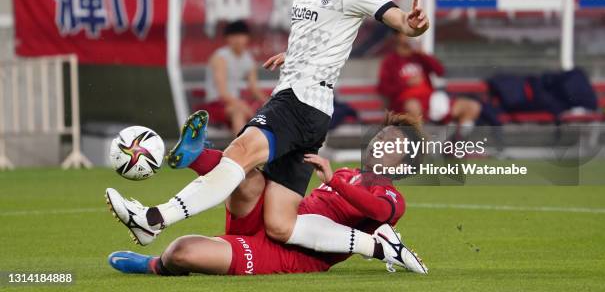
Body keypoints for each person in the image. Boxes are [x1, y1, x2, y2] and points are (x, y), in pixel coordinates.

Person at [105, 0, 429, 270]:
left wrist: (413, 23)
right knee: (280, 223)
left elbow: (398, 19)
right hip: (310, 111)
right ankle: (381, 248)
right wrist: (296, 56)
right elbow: (320, 32)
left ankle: (153, 219)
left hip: (299, 102)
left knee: (239, 156)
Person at [107, 113, 427, 276]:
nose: (381, 143)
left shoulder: (390, 195)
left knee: (181, 252)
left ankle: (154, 265)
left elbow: (380, 212)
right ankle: (194, 157)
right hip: (277, 215)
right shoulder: (345, 173)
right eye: (382, 135)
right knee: (245, 173)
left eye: (394, 143)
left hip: (290, 253)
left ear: (405, 161)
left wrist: (336, 182)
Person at [377, 32, 481, 141]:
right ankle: (423, 146)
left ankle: (455, 143)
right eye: (406, 33)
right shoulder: (390, 61)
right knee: (413, 106)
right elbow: (383, 89)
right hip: (405, 104)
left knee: (472, 107)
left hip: (429, 100)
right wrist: (406, 84)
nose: (410, 37)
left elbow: (440, 71)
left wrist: (423, 54)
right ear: (398, 37)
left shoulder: (419, 57)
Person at [203, 20, 267, 135]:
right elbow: (222, 93)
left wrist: (270, 103)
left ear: (247, 38)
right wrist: (242, 105)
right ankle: (240, 150)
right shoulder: (220, 58)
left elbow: (254, 89)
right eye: (234, 36)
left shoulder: (249, 59)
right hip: (217, 104)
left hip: (236, 103)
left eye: (241, 35)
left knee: (266, 113)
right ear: (227, 39)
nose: (238, 39)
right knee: (239, 112)